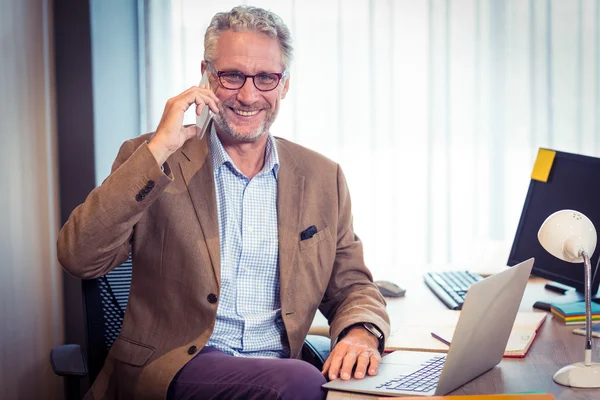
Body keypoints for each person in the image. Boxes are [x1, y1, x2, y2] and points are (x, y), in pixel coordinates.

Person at [57, 6, 390, 400]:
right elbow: (80, 257)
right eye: (232, 76)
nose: (248, 96)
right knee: (302, 381)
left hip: (276, 372)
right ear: (206, 75)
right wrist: (159, 149)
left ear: (284, 85)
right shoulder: (152, 159)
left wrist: (361, 332)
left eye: (266, 78)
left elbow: (352, 284)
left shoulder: (321, 177)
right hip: (175, 368)